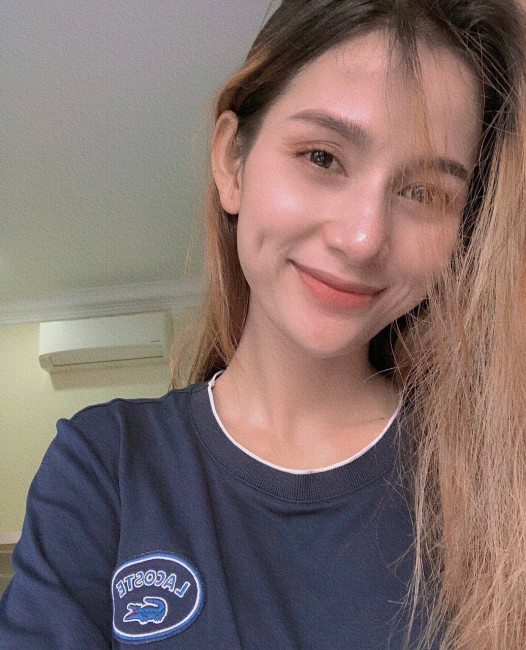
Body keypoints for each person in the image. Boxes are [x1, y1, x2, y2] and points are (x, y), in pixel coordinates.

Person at [1, 0, 525, 648]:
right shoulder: (104, 466)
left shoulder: (491, 486)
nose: (363, 238)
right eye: (322, 157)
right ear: (233, 161)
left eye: (423, 193)